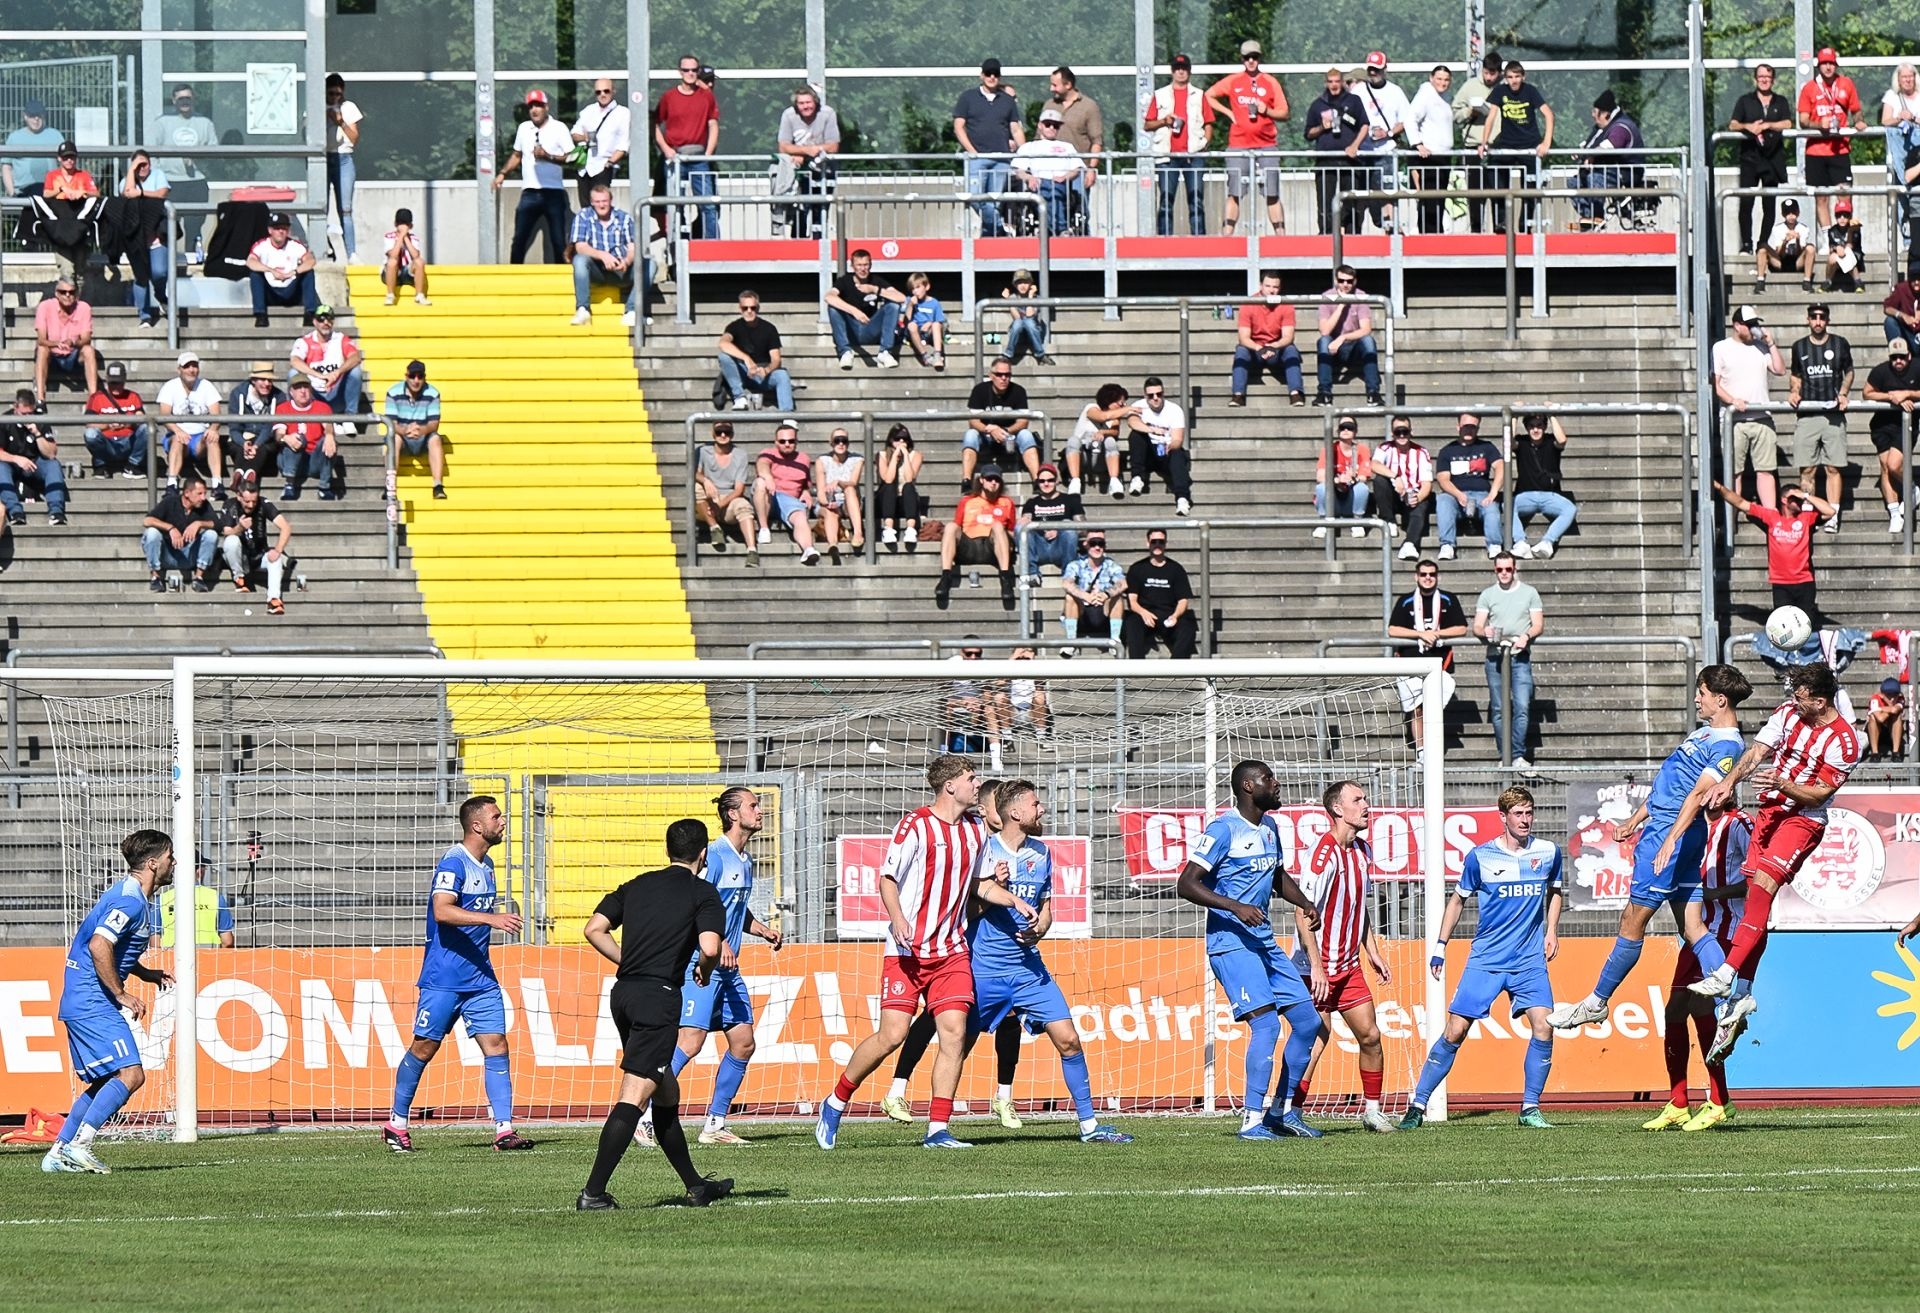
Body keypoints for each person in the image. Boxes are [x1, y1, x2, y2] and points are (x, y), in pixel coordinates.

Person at [814, 754, 1035, 1150]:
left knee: (954, 1034)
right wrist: (898, 918)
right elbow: (887, 879)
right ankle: (835, 1101)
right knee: (892, 1035)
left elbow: (980, 884)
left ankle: (937, 1129)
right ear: (950, 786)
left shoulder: (975, 831)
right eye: (971, 778)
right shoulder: (915, 825)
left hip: (952, 951)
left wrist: (1012, 900)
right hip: (907, 952)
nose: (977, 784)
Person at [1549, 665, 1755, 1033]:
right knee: (1692, 926)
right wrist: (1634, 820)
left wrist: (1670, 839)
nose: (1697, 699)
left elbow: (1698, 795)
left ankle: (1596, 1002)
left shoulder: (1727, 745)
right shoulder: (1705, 733)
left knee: (1632, 920)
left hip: (1671, 834)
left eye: (1702, 693)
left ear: (1720, 700)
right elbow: (1672, 786)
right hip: (1671, 830)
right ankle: (1732, 1000)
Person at [966, 780, 1133, 1144]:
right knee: (957, 1045)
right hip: (985, 968)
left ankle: (1089, 1127)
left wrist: (1040, 929)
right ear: (1015, 812)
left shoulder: (1041, 853)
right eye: (1035, 804)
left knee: (1069, 1039)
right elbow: (965, 909)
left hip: (1029, 969)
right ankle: (938, 1127)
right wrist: (996, 891)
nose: (1042, 809)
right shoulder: (982, 851)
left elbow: (1045, 908)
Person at [1691, 663, 1861, 1019]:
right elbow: (1756, 753)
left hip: (1803, 819)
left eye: (1801, 698)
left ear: (1820, 701)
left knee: (1762, 887)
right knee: (1756, 901)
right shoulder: (1787, 713)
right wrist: (1727, 783)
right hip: (1769, 814)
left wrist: (1782, 784)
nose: (1794, 703)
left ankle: (1726, 973)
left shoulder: (1845, 741)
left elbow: (1819, 794)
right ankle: (1744, 992)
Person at [577, 818, 731, 1208]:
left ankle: (696, 1186)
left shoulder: (637, 885)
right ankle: (593, 1193)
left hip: (624, 994)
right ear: (703, 854)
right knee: (635, 1093)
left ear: (667, 850)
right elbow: (710, 948)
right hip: (657, 998)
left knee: (665, 1091)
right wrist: (705, 970)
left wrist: (628, 961)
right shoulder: (703, 892)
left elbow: (594, 929)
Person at [1176, 759, 1326, 1138]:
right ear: (1248, 786)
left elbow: (1276, 876)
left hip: (1263, 942)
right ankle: (1252, 1120)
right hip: (1231, 944)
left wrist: (1304, 902)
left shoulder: (1270, 828)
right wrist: (1235, 906)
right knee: (1267, 1025)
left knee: (1308, 1023)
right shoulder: (1223, 830)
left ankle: (1280, 1112)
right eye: (1268, 778)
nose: (1276, 784)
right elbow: (1186, 883)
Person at [1398, 786, 1563, 1129]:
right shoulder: (1481, 857)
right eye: (1518, 814)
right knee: (1455, 1031)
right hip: (1487, 959)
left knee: (1544, 1026)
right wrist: (1440, 946)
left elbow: (1556, 891)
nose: (1525, 820)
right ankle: (1418, 1105)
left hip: (1529, 960)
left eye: (1529, 812)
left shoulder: (1548, 852)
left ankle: (1530, 1108)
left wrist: (1552, 930)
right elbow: (1458, 899)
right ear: (1503, 817)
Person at [633, 789, 783, 1149]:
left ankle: (715, 1124)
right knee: (690, 1041)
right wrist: (719, 942)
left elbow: (733, 908)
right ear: (732, 814)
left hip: (728, 970)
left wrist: (760, 929)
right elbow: (693, 905)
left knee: (743, 1043)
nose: (760, 811)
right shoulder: (713, 857)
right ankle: (643, 1114)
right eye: (752, 806)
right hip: (701, 965)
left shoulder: (745, 860)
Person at [382, 796, 532, 1154]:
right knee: (424, 1047)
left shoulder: (488, 865)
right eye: (496, 817)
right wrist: (492, 918)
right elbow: (442, 910)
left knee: (496, 1044)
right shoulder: (454, 862)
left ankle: (504, 1129)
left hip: (480, 977)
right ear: (477, 825)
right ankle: (396, 1124)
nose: (502, 822)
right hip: (445, 977)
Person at [40, 829, 176, 1174]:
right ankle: (80, 1145)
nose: (173, 863)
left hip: (82, 997)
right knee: (132, 1074)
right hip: (92, 999)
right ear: (152, 863)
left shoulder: (130, 895)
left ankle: (57, 1154)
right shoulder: (129, 901)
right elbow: (99, 945)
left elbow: (114, 949)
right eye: (169, 857)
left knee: (106, 1080)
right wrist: (121, 994)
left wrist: (145, 973)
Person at [1292, 781, 1398, 1133]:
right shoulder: (1322, 854)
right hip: (1315, 968)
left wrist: (1372, 951)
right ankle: (1289, 1111)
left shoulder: (1363, 850)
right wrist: (1317, 969)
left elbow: (1356, 905)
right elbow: (1301, 913)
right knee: (1314, 1041)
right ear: (1338, 809)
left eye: (1365, 798)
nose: (1367, 805)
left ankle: (1372, 1111)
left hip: (1349, 967)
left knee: (1371, 1036)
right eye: (1358, 800)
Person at [1713, 482, 1833, 625]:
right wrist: (1719, 488)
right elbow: (1740, 503)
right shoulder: (1771, 517)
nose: (1799, 501)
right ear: (1784, 500)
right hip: (1780, 583)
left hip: (1804, 581)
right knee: (1785, 625)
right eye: (1795, 499)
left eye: (1800, 499)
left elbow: (1830, 512)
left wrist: (1805, 495)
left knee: (1805, 625)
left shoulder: (1806, 518)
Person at [1206, 39, 1290, 235]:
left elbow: (1284, 113)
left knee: (1272, 192)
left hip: (1266, 145)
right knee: (1234, 192)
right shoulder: (1233, 80)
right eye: (1247, 57)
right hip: (1238, 145)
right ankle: (1227, 237)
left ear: (1259, 58)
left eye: (1254, 57)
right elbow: (1208, 96)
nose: (1251, 61)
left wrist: (1267, 110)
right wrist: (1229, 113)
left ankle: (1282, 239)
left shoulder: (1270, 82)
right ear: (1242, 59)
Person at [1389, 558, 1469, 759]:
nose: (1428, 578)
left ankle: (1433, 750)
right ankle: (1421, 753)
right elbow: (1393, 629)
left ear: (1437, 577)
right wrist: (1420, 634)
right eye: (1423, 574)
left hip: (1439, 663)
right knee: (1416, 709)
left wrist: (1437, 634)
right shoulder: (1405, 600)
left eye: (1432, 574)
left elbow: (1461, 628)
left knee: (1432, 709)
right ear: (1416, 577)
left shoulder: (1448, 599)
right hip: (1410, 663)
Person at [1473, 551, 1545, 768]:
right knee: (1498, 709)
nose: (1504, 573)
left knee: (1522, 706)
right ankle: (1505, 755)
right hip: (1495, 656)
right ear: (1495, 570)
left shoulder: (1530, 592)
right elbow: (1477, 626)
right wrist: (1484, 631)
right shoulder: (1487, 594)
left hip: (1520, 656)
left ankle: (1517, 754)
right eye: (1499, 569)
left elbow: (1538, 624)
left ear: (1514, 569)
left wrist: (1526, 636)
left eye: (1508, 569)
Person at [1713, 306, 1787, 510]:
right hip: (1734, 420)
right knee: (1734, 471)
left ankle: (1771, 517)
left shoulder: (1761, 347)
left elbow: (1780, 370)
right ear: (1737, 326)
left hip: (1762, 417)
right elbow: (1715, 385)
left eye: (1756, 324)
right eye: (1750, 324)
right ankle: (1732, 517)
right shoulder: (1721, 347)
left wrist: (1771, 344)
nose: (1755, 328)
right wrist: (1732, 400)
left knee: (1766, 470)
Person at [1787, 302, 1854, 532]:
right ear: (1807, 319)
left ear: (1828, 320)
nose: (1818, 321)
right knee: (1807, 469)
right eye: (1814, 317)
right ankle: (1809, 514)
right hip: (1808, 415)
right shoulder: (1799, 346)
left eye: (1822, 317)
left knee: (1833, 468)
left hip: (1833, 415)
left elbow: (1849, 372)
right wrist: (1794, 391)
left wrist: (1843, 393)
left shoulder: (1839, 343)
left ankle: (1833, 515)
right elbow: (1796, 375)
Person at [494, 90, 573, 263]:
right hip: (530, 192)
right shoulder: (524, 128)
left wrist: (548, 156)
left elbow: (571, 157)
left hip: (553, 192)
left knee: (558, 240)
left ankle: (563, 277)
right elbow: (517, 155)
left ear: (546, 107)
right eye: (531, 106)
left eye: (538, 106)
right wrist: (502, 173)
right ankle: (515, 275)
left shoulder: (559, 128)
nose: (534, 110)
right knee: (519, 239)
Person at [1479, 61, 1554, 234]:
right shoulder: (1500, 91)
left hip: (1529, 145)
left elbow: (1549, 115)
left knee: (1530, 189)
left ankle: (1525, 224)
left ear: (1523, 77)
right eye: (1510, 77)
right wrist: (1484, 142)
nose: (1513, 81)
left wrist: (1546, 143)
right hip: (1506, 144)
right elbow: (1491, 117)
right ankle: (1502, 223)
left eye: (1517, 77)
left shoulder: (1530, 91)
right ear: (1505, 78)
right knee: (1497, 181)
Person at [954, 58, 1025, 238]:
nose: (992, 77)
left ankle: (989, 240)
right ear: (981, 75)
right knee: (975, 197)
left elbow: (1016, 129)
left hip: (1002, 159)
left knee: (994, 202)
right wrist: (972, 152)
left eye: (995, 74)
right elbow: (959, 127)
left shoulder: (1008, 101)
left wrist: (1025, 155)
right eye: (988, 73)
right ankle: (1000, 230)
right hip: (977, 159)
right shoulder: (967, 97)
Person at [654, 55, 721, 241]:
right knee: (676, 205)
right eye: (686, 70)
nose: (690, 73)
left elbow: (713, 124)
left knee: (708, 204)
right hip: (675, 157)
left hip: (699, 157)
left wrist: (708, 154)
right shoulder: (669, 97)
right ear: (680, 72)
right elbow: (654, 123)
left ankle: (712, 245)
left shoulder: (706, 96)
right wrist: (666, 149)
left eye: (694, 70)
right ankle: (679, 243)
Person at [1144, 53, 1212, 236]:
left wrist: (1205, 142)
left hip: (1193, 155)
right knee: (1166, 201)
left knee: (1196, 200)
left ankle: (1199, 241)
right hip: (1167, 156)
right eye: (1177, 68)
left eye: (1184, 68)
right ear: (1172, 71)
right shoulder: (1160, 95)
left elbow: (1208, 122)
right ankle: (1165, 241)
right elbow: (1148, 125)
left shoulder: (1199, 95)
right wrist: (1164, 121)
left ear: (1189, 71)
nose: (1180, 72)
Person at [1797, 47, 1863, 233]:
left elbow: (1856, 110)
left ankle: (1846, 237)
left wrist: (1859, 121)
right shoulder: (1810, 88)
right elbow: (1803, 121)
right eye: (1824, 63)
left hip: (1840, 149)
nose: (1828, 67)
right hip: (1816, 151)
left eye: (1831, 63)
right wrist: (1820, 125)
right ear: (1818, 66)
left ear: (1836, 65)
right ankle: (1828, 239)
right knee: (1821, 198)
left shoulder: (1846, 83)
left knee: (1844, 195)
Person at [1729, 65, 1792, 254]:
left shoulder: (1780, 101)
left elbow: (1788, 123)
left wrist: (1768, 125)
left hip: (1772, 159)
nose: (1764, 80)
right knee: (1746, 203)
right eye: (1761, 76)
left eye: (1768, 77)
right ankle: (1746, 244)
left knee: (1769, 205)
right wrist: (1748, 127)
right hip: (1750, 158)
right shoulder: (1745, 101)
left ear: (1773, 80)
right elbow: (1733, 124)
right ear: (1755, 79)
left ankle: (1762, 244)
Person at [935, 466, 1017, 610]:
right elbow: (957, 527)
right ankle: (946, 575)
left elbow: (1011, 530)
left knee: (998, 526)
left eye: (997, 480)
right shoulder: (967, 501)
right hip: (969, 546)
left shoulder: (1007, 503)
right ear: (981, 480)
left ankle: (1005, 578)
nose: (993, 483)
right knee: (951, 527)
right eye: (989, 479)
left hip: (992, 548)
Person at [1864, 336, 1920, 534]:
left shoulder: (1917, 367)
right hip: (1882, 424)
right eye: (1894, 357)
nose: (1898, 361)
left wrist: (1907, 393)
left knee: (1894, 464)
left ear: (1909, 356)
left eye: (1902, 357)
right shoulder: (1880, 370)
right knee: (1885, 467)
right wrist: (1890, 397)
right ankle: (1894, 512)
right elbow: (1867, 392)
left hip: (1906, 424)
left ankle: (1911, 487)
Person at [218, 470, 294, 615]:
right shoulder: (229, 505)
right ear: (239, 496)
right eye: (247, 501)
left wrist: (278, 550)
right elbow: (225, 531)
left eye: (254, 501)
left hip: (259, 555)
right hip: (239, 557)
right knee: (231, 541)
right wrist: (240, 528)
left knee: (276, 558)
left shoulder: (263, 503)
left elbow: (285, 527)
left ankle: (274, 600)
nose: (251, 505)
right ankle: (239, 578)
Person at [569, 183, 642, 328]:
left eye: (604, 201)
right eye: (597, 201)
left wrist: (627, 261)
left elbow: (633, 248)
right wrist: (603, 255)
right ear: (591, 202)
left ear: (610, 201)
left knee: (650, 264)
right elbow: (580, 247)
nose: (601, 205)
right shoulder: (583, 216)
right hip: (596, 269)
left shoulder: (624, 218)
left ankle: (632, 311)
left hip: (622, 269)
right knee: (579, 260)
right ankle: (583, 309)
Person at [1433, 412, 1505, 559]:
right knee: (1443, 500)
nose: (1469, 430)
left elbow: (1500, 467)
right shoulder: (1447, 451)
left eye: (1473, 427)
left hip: (1482, 494)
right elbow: (1443, 479)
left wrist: (1493, 493)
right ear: (1458, 427)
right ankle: (1447, 545)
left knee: (1492, 506)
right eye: (1466, 426)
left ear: (1478, 428)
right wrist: (1459, 495)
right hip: (1455, 495)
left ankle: (1494, 546)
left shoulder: (1487, 447)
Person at [1304, 66, 1366, 236]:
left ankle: (1352, 236)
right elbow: (1308, 133)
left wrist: (1355, 146)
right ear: (1326, 83)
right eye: (1330, 82)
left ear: (1343, 83)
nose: (1334, 85)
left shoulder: (1354, 101)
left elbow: (1364, 125)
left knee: (1351, 202)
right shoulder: (1318, 104)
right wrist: (1321, 127)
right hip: (1326, 161)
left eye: (1337, 81)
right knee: (1325, 204)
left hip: (1350, 160)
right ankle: (1326, 236)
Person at [1352, 52, 1411, 230]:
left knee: (1388, 194)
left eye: (1377, 69)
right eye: (1370, 69)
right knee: (1359, 196)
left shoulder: (1395, 92)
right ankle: (1354, 235)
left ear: (1385, 69)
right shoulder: (1358, 91)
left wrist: (1388, 133)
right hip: (1362, 152)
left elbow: (1406, 120)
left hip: (1386, 151)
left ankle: (1390, 231)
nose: (1373, 73)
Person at [1229, 270, 1306, 407]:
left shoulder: (1286, 305)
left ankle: (1296, 394)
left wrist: (1274, 346)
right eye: (1268, 286)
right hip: (1255, 349)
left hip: (1276, 348)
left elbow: (1288, 337)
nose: (1271, 290)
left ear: (1280, 288)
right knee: (1241, 350)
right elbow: (1243, 337)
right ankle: (1238, 395)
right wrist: (1259, 348)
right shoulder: (1248, 304)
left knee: (1291, 350)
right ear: (1260, 286)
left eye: (1275, 287)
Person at [1571, 90, 1644, 230]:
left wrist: (1588, 155)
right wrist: (1582, 152)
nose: (1592, 115)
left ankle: (1597, 217)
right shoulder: (1602, 128)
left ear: (1605, 114)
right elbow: (1592, 145)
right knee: (1573, 183)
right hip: (1608, 170)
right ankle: (1589, 217)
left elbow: (1608, 146)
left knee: (1595, 179)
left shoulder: (1621, 127)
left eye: (1595, 112)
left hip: (1625, 173)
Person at [1509, 411, 1578, 558]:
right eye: (1531, 426)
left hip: (1550, 495)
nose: (1535, 430)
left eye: (1539, 426)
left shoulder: (1551, 441)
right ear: (1527, 428)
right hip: (1525, 495)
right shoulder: (1522, 442)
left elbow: (1562, 440)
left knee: (1570, 508)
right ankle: (1520, 543)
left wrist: (1552, 415)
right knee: (1507, 506)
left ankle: (1547, 542)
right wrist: (1514, 416)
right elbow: (1508, 441)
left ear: (1545, 427)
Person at [774, 86, 839, 240]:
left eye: (808, 102)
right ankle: (799, 245)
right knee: (799, 210)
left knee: (820, 209)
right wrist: (806, 151)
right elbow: (783, 146)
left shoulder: (828, 113)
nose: (805, 107)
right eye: (801, 103)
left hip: (824, 170)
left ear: (815, 102)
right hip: (798, 172)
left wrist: (807, 150)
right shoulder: (788, 115)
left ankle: (820, 244)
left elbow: (833, 146)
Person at [962, 359, 1040, 486]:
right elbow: (973, 421)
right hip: (986, 435)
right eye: (999, 374)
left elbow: (1023, 421)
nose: (1003, 378)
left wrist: (1005, 431)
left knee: (1026, 435)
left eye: (1007, 374)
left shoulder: (1018, 391)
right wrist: (991, 429)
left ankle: (1037, 480)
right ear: (991, 375)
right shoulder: (980, 390)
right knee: (970, 434)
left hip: (1010, 436)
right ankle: (966, 480)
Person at [154, 353, 224, 493]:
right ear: (179, 369)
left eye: (194, 366)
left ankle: (217, 484)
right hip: (178, 435)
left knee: (212, 437)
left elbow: (217, 415)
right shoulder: (170, 386)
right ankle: (171, 483)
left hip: (199, 437)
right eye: (187, 366)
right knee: (177, 439)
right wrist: (177, 431)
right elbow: (164, 415)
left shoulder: (206, 386)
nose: (191, 370)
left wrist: (213, 428)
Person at [752, 422, 820, 566]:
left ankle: (808, 549)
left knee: (800, 516)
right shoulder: (768, 453)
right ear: (776, 442)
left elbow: (805, 483)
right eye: (782, 441)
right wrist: (768, 477)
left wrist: (806, 492)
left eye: (791, 441)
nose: (787, 444)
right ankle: (764, 528)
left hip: (790, 500)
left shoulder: (804, 459)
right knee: (760, 482)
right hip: (769, 497)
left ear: (796, 442)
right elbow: (762, 466)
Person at [826, 248, 906, 369]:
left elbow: (901, 298)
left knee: (893, 305)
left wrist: (875, 289)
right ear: (852, 266)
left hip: (870, 328)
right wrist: (854, 311)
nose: (863, 269)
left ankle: (885, 352)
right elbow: (828, 297)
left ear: (870, 265)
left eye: (866, 265)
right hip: (851, 330)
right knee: (833, 307)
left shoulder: (876, 281)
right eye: (859, 265)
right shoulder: (844, 281)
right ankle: (845, 352)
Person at [1123, 529, 1197, 660]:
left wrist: (1175, 616)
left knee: (1188, 627)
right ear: (1148, 543)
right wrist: (1143, 613)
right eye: (1154, 541)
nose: (1157, 545)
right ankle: (1137, 665)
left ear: (1166, 543)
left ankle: (1176, 666)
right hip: (1145, 615)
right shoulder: (1137, 568)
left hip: (1168, 614)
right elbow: (1132, 601)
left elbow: (1183, 600)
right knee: (1132, 623)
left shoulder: (1176, 569)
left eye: (1161, 542)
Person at [117, 151, 172, 326]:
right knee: (141, 276)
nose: (142, 168)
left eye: (145, 164)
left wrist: (140, 193)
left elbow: (162, 193)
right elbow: (127, 192)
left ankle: (161, 296)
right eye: (138, 165)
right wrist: (131, 171)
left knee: (159, 272)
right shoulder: (127, 180)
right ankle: (145, 316)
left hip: (155, 237)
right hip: (136, 238)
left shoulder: (158, 175)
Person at [1011, 106, 1083, 236]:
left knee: (1053, 190)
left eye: (1056, 125)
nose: (1052, 128)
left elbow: (1076, 169)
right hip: (1038, 184)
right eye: (1048, 124)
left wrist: (1065, 177)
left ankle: (1054, 229)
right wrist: (1029, 178)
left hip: (1061, 183)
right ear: (1040, 125)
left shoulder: (1067, 147)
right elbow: (1018, 171)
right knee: (1047, 189)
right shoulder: (1029, 147)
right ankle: (1060, 229)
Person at [716, 291, 794, 412]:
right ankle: (739, 397)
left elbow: (776, 359)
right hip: (743, 373)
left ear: (758, 308)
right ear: (740, 309)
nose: (749, 311)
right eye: (745, 308)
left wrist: (766, 370)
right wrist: (746, 359)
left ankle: (787, 415)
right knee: (724, 357)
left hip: (762, 373)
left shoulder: (769, 328)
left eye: (753, 307)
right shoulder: (734, 327)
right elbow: (723, 343)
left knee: (782, 375)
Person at [0, 388, 67, 528]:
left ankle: (56, 511)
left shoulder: (40, 419)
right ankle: (15, 511)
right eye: (24, 414)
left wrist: (37, 434)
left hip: (35, 463)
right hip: (11, 464)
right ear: (15, 407)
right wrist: (16, 459)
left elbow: (51, 453)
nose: (27, 417)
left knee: (53, 465)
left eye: (30, 413)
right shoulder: (5, 420)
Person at [1452, 51, 1504, 233]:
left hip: (1498, 147)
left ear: (1499, 73)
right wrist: (1470, 112)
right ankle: (1476, 230)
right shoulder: (1470, 86)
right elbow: (1454, 114)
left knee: (1499, 191)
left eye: (1493, 73)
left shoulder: (1505, 87)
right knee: (1475, 193)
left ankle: (1500, 229)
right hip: (1473, 147)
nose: (1489, 77)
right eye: (1486, 72)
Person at [1316, 265, 1382, 406]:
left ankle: (1373, 393)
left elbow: (1366, 329)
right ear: (1336, 281)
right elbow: (1325, 331)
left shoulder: (1360, 296)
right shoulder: (1327, 296)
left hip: (1353, 346)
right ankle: (1324, 393)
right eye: (1341, 281)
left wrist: (1343, 337)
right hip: (1333, 348)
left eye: (1349, 281)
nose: (1345, 284)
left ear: (1355, 281)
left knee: (1368, 341)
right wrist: (1341, 305)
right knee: (1323, 341)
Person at [140, 473, 218, 592]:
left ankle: (199, 577)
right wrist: (171, 528)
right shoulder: (170, 502)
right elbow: (147, 520)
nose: (203, 498)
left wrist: (199, 523)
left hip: (189, 555)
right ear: (187, 493)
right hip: (166, 554)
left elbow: (218, 525)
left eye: (204, 494)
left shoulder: (204, 505)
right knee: (151, 533)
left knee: (211, 535)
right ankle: (156, 577)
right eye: (199, 494)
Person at [289, 305, 366, 424]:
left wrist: (337, 373)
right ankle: (296, 416)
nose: (326, 322)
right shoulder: (304, 341)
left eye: (329, 318)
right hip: (313, 394)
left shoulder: (341, 339)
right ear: (314, 322)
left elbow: (355, 357)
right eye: (321, 319)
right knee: (293, 374)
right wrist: (320, 376)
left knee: (355, 371)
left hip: (336, 394)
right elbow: (294, 361)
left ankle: (350, 418)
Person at [1128, 375, 1193, 516]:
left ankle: (1182, 498)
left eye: (1159, 394)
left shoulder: (1174, 410)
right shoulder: (1139, 405)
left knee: (1177, 452)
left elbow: (1178, 439)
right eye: (1151, 395)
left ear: (1163, 393)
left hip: (1166, 451)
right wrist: (1151, 430)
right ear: (1145, 396)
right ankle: (1137, 477)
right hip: (1148, 451)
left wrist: (1171, 446)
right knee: (1136, 435)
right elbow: (1132, 422)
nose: (1155, 398)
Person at [695, 419, 758, 563]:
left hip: (729, 500)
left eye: (727, 432)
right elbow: (694, 473)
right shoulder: (702, 451)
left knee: (744, 505)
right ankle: (715, 528)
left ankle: (752, 550)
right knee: (696, 487)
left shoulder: (740, 455)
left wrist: (720, 504)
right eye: (719, 432)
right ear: (713, 434)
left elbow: (739, 489)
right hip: (708, 500)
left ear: (732, 434)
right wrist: (706, 481)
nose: (723, 435)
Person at [1373, 416, 1436, 559]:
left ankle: (1410, 543)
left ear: (1411, 432)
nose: (1401, 435)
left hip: (1412, 493)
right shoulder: (1384, 448)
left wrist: (1418, 497)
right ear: (1392, 433)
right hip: (1393, 495)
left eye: (1405, 431)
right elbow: (1374, 465)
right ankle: (1389, 520)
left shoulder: (1421, 452)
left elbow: (1427, 483)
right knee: (1379, 480)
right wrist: (1395, 477)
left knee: (1422, 502)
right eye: (1398, 432)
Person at [1047, 65, 1103, 227]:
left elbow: (1096, 140)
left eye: (1055, 85)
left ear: (1068, 85)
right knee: (1053, 211)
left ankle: (1083, 239)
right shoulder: (1049, 105)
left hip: (1079, 170)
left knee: (1080, 212)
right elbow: (1039, 137)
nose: (1051, 89)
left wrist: (1091, 169)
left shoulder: (1089, 107)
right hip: (1051, 169)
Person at [245, 211, 319, 328]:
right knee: (255, 274)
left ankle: (310, 314)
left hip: (291, 290)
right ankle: (260, 315)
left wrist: (293, 272)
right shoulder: (261, 245)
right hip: (271, 292)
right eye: (277, 228)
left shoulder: (295, 245)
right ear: (270, 230)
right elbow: (250, 262)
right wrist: (271, 271)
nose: (281, 231)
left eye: (284, 228)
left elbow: (310, 261)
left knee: (308, 272)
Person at [385, 359, 446, 500]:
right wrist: (405, 430)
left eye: (420, 376)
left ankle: (438, 486)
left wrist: (421, 430)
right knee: (394, 439)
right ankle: (390, 486)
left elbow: (434, 423)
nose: (416, 380)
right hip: (402, 436)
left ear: (425, 377)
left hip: (423, 436)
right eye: (412, 376)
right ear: (406, 377)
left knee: (435, 439)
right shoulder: (393, 392)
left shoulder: (433, 393)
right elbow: (390, 423)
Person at [1405, 65, 1455, 234]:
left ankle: (1436, 235)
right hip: (1430, 157)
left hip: (1443, 156)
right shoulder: (1425, 95)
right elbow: (1410, 119)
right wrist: (1418, 144)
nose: (1443, 83)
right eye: (1439, 79)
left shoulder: (1445, 97)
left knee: (1439, 200)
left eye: (1446, 80)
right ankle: (1428, 236)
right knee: (1430, 201)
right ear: (1431, 78)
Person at [272, 375, 338, 501]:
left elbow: (328, 426)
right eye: (298, 387)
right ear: (291, 392)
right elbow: (279, 434)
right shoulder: (283, 408)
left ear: (311, 390)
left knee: (328, 441)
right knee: (294, 439)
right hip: (290, 459)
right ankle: (289, 485)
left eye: (306, 387)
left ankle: (324, 487)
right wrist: (286, 438)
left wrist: (330, 435)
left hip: (314, 460)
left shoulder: (322, 407)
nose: (303, 391)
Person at [1059, 531, 1125, 654]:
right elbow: (1066, 583)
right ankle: (1071, 641)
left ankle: (1115, 639)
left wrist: (1106, 595)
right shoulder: (1075, 565)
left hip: (1103, 610)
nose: (1097, 547)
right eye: (1093, 543)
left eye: (1101, 543)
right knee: (1070, 597)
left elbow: (1123, 583)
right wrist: (1085, 596)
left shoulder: (1112, 565)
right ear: (1086, 544)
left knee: (1118, 597)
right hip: (1083, 612)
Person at [32, 275, 97, 400]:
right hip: (52, 355)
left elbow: (86, 338)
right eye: (63, 292)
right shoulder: (45, 307)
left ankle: (93, 398)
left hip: (73, 354)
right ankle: (40, 399)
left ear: (76, 294)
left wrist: (73, 342)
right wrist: (56, 343)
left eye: (71, 292)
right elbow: (41, 339)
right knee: (42, 349)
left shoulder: (84, 308)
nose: (67, 295)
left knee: (88, 350)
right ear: (56, 293)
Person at [1066, 381, 1133, 501]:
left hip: (1101, 458)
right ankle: (1075, 481)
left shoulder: (1114, 419)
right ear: (1110, 400)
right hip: (1083, 457)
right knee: (1073, 441)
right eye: (1121, 403)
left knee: (1110, 441)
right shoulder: (1092, 408)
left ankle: (1114, 481)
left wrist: (1104, 432)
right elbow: (1102, 417)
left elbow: (1115, 432)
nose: (1122, 406)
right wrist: (1129, 409)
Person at [1017, 462, 1083, 582]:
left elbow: (1083, 529)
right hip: (1039, 547)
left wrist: (1060, 529)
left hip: (1061, 546)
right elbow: (1024, 523)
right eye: (1042, 481)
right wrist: (1025, 522)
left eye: (1050, 480)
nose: (1046, 484)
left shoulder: (1070, 500)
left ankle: (1068, 575)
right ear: (1037, 483)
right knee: (1020, 527)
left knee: (1068, 526)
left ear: (1057, 481)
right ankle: (1032, 573)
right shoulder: (1031, 503)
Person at [157, 849, 235, 949]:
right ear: (199, 870)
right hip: (210, 956)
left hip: (170, 956)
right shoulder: (215, 897)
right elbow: (227, 941)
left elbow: (155, 943)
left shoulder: (162, 899)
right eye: (204, 868)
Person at [572, 77, 631, 206]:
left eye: (606, 91)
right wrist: (584, 138)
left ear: (613, 91)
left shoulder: (622, 113)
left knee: (601, 205)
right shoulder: (588, 111)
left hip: (603, 166)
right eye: (598, 92)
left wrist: (609, 163)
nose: (602, 94)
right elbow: (574, 133)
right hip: (584, 167)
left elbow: (623, 145)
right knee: (585, 207)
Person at [84, 361, 150, 478]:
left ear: (124, 380)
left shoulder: (133, 396)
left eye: (118, 382)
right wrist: (108, 425)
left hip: (128, 440)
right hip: (106, 442)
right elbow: (89, 423)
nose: (115, 386)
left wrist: (127, 422)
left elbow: (141, 417)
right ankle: (101, 465)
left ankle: (132, 465)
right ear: (107, 380)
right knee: (90, 434)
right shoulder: (96, 397)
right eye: (112, 383)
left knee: (147, 429)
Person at [225, 360, 286, 485]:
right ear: (253, 380)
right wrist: (244, 443)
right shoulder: (237, 394)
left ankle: (242, 473)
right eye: (262, 380)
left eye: (269, 380)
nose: (267, 384)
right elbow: (234, 428)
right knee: (239, 446)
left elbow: (270, 426)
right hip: (243, 437)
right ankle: (247, 476)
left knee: (262, 448)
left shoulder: (279, 396)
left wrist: (256, 445)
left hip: (266, 440)